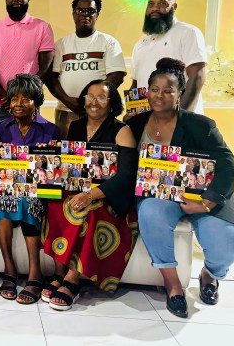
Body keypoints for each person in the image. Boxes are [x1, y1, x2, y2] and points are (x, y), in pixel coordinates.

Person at [127, 58, 234, 318]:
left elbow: (229, 167)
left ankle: (209, 274)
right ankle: (172, 284)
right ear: (147, 91)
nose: (160, 96)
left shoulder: (201, 125)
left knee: (229, 241)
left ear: (180, 93)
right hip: (162, 195)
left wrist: (207, 203)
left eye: (168, 90)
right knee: (150, 212)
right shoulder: (135, 124)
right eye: (155, 89)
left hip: (204, 195)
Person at [43, 80, 139, 310]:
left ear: (111, 103)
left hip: (109, 197)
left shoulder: (121, 131)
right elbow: (70, 165)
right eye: (90, 96)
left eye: (101, 97)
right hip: (80, 189)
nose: (94, 102)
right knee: (55, 203)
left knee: (84, 210)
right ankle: (59, 270)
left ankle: (72, 280)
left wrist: (91, 195)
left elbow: (126, 175)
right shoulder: (76, 126)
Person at [0, 74, 60, 303]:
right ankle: (9, 269)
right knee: (1, 201)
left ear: (36, 101)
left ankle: (34, 273)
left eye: (25, 98)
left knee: (29, 201)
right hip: (8, 188)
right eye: (14, 98)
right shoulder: (1, 127)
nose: (18, 104)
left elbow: (56, 171)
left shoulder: (51, 130)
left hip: (37, 192)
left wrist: (48, 154)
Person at [46, 0, 126, 138]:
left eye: (90, 11)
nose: (85, 14)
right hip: (66, 110)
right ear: (73, 14)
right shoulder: (61, 44)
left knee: (96, 155)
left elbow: (117, 75)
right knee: (66, 156)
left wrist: (91, 100)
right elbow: (51, 77)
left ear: (97, 15)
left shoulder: (108, 42)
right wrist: (68, 100)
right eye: (80, 10)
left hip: (98, 111)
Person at [0, 0, 54, 124]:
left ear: (28, 0)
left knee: (30, 144)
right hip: (1, 103)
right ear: (6, 1)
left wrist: (25, 96)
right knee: (1, 145)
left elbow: (46, 67)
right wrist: (6, 97)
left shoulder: (43, 28)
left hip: (29, 104)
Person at [130, 0, 207, 114]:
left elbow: (197, 77)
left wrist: (177, 117)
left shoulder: (188, 32)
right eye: (151, 4)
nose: (155, 8)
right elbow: (136, 85)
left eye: (162, 3)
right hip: (148, 123)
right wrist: (133, 116)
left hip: (183, 123)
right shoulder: (140, 45)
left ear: (174, 7)